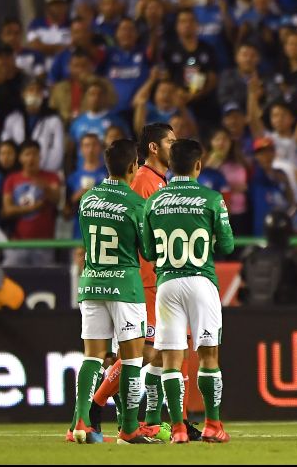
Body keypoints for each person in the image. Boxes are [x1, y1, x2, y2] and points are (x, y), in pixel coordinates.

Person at [89, 123, 200, 441]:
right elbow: (130, 225)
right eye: (170, 141)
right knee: (147, 353)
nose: (174, 146)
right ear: (154, 148)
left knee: (174, 350)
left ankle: (167, 421)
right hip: (145, 280)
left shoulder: (161, 182)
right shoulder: (142, 182)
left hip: (163, 278)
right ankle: (97, 405)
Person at [70, 138, 163, 445]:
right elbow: (148, 251)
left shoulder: (87, 198)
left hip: (93, 282)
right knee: (133, 359)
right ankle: (129, 429)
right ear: (133, 167)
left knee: (92, 357)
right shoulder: (137, 204)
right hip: (125, 287)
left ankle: (81, 423)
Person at [143, 138, 234, 443]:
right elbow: (227, 245)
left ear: (169, 164)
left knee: (170, 358)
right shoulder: (212, 198)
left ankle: (179, 429)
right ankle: (212, 424)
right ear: (199, 165)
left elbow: (147, 249)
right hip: (201, 281)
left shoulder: (154, 201)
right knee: (208, 355)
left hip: (167, 283)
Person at [1, 140, 61, 267]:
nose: (31, 158)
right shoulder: (11, 179)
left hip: (44, 244)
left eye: (35, 154)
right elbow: (7, 210)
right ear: (20, 158)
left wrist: (45, 186)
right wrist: (32, 208)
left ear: (40, 156)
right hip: (17, 243)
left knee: (46, 283)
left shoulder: (52, 177)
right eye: (27, 154)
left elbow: (57, 199)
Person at [240, 210, 297, 306]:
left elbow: (243, 281)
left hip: (252, 314)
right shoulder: (293, 257)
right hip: (282, 316)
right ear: (288, 232)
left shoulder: (250, 254)